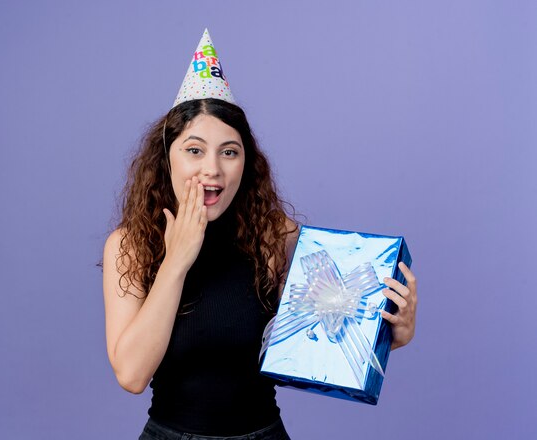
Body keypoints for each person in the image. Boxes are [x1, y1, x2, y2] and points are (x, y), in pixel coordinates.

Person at [102, 30, 417, 440]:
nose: (212, 169)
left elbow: (326, 346)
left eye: (229, 151)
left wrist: (395, 334)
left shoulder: (276, 236)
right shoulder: (130, 246)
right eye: (194, 150)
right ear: (167, 158)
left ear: (246, 164)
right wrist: (177, 261)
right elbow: (131, 374)